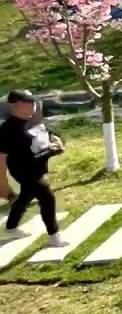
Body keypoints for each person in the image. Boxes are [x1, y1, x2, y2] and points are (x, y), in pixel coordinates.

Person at [0, 90, 66, 247]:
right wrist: (3, 183)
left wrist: (56, 145)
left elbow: (50, 138)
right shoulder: (7, 129)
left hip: (37, 168)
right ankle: (53, 236)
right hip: (23, 170)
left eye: (33, 104)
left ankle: (10, 227)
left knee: (25, 196)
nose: (32, 108)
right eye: (28, 104)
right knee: (47, 197)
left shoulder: (33, 122)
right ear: (16, 106)